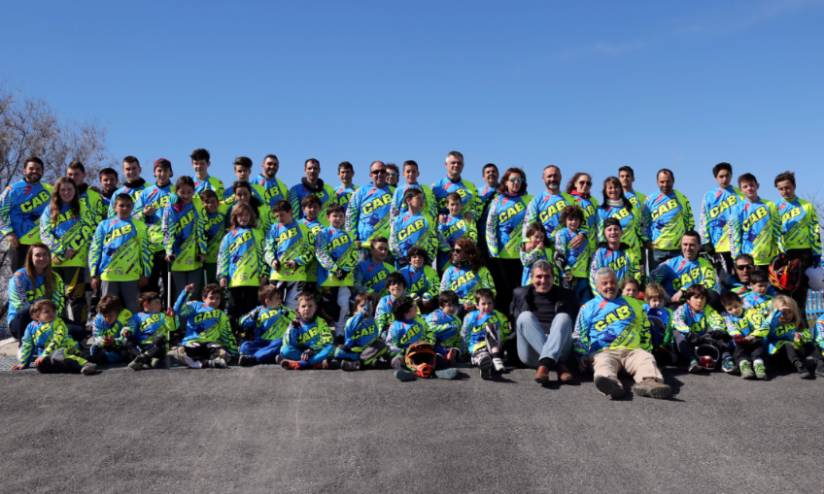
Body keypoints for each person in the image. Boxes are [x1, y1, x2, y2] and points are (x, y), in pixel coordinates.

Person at [574, 267, 672, 399]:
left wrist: (646, 349)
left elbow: (644, 329)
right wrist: (582, 355)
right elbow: (579, 335)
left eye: (612, 282)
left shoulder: (635, 304)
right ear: (597, 287)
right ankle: (611, 385)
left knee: (646, 359)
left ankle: (649, 383)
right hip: (604, 351)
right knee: (603, 364)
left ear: (617, 283)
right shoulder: (588, 307)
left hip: (632, 350)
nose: (609, 286)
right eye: (605, 283)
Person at [510, 260, 575, 384]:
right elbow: (515, 324)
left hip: (560, 347)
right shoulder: (520, 294)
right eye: (539, 276)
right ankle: (558, 364)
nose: (543, 281)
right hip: (531, 351)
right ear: (531, 278)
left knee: (563, 317)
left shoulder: (567, 295)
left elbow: (573, 327)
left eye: (547, 276)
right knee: (525, 317)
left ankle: (545, 364)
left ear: (553, 278)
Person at [40, 177, 94, 323]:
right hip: (55, 261)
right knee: (56, 298)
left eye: (69, 189)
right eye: (63, 189)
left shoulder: (83, 207)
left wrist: (73, 248)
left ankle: (79, 331)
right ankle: (59, 330)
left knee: (77, 298)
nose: (66, 192)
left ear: (75, 190)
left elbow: (88, 229)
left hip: (75, 261)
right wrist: (62, 250)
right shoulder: (49, 210)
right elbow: (45, 234)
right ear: (57, 191)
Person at [88, 193, 151, 314]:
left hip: (131, 276)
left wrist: (146, 274)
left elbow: (145, 251)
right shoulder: (104, 225)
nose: (125, 208)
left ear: (132, 207)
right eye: (121, 205)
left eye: (128, 205)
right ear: (114, 207)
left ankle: (132, 327)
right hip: (108, 275)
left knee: (133, 310)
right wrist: (93, 274)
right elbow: (95, 249)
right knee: (107, 309)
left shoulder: (140, 226)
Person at [774, 170, 822, 321]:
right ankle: (788, 327)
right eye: (781, 189)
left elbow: (814, 229)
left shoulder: (806, 206)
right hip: (785, 254)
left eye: (787, 187)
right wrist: (778, 253)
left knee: (801, 292)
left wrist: (817, 252)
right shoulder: (775, 208)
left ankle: (802, 327)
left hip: (804, 253)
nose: (785, 191)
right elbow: (774, 232)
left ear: (794, 186)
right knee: (785, 293)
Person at [485, 167, 531, 312]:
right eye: (512, 180)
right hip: (502, 256)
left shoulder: (529, 200)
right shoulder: (497, 201)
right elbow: (490, 227)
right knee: (503, 293)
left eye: (519, 180)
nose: (516, 183)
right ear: (505, 182)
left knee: (522, 292)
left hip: (523, 255)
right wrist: (494, 251)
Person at [11, 300, 99, 375]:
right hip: (47, 354)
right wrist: (24, 363)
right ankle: (66, 366)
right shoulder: (31, 327)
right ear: (36, 316)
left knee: (58, 355)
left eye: (53, 311)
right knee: (41, 365)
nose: (52, 313)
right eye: (47, 312)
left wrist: (44, 355)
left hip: (65, 348)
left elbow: (56, 341)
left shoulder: (58, 323)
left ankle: (86, 365)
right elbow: (27, 345)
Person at [218, 203, 266, 332]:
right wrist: (222, 275)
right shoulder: (229, 236)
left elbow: (263, 254)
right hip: (234, 279)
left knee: (251, 309)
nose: (243, 218)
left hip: (253, 280)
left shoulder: (258, 233)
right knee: (233, 308)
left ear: (251, 216)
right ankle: (233, 334)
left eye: (246, 215)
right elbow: (223, 257)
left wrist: (263, 273)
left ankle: (249, 334)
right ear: (235, 217)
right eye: (240, 215)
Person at [0, 156, 52, 270]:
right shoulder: (12, 189)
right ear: (24, 171)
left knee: (41, 278)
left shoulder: (49, 189)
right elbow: (2, 211)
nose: (35, 171)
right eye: (31, 168)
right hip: (20, 242)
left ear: (42, 172)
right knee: (19, 277)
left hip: (42, 243)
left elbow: (67, 197)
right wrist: (8, 233)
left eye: (38, 169)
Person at [162, 176, 207, 305]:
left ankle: (194, 318)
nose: (186, 195)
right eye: (182, 192)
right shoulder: (171, 206)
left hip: (194, 255)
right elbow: (167, 230)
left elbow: (202, 228)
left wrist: (202, 251)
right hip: (177, 255)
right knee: (180, 293)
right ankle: (179, 318)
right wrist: (169, 251)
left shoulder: (197, 204)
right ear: (176, 191)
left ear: (194, 191)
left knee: (194, 293)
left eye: (189, 192)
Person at [133, 158, 175, 296]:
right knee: (150, 287)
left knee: (170, 288)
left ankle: (169, 310)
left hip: (170, 245)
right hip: (150, 246)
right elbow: (134, 217)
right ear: (154, 173)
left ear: (170, 172)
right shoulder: (146, 193)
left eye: (165, 170)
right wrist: (144, 213)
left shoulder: (176, 191)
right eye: (159, 170)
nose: (162, 174)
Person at [6, 244, 66, 341]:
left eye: (45, 255)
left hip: (48, 318)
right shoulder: (19, 277)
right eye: (37, 255)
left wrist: (50, 321)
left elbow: (59, 303)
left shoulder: (55, 277)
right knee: (25, 311)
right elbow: (20, 304)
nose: (42, 258)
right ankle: (24, 344)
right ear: (30, 258)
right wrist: (41, 320)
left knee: (78, 330)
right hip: (22, 322)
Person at [315, 204, 359, 335]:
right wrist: (335, 269)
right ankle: (324, 335)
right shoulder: (323, 233)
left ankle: (340, 334)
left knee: (344, 306)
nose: (338, 219)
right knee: (327, 309)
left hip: (345, 278)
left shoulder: (349, 235)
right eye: (335, 216)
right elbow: (321, 253)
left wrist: (345, 269)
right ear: (328, 217)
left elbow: (354, 255)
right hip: (327, 279)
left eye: (341, 216)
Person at [171, 283, 237, 368]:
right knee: (178, 352)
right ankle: (208, 363)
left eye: (217, 298)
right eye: (211, 298)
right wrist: (186, 293)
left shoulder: (221, 315)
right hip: (192, 344)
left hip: (211, 346)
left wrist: (235, 353)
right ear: (204, 298)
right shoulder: (194, 306)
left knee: (223, 353)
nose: (214, 301)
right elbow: (177, 309)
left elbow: (227, 334)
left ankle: (201, 363)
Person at [264, 200, 313, 309]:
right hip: (277, 275)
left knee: (292, 309)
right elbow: (267, 250)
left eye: (282, 215)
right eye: (276, 216)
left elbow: (311, 251)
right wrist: (272, 261)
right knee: (274, 307)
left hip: (297, 275)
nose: (279, 219)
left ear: (290, 212)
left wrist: (297, 262)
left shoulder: (304, 228)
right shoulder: (274, 229)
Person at [671, 285, 731, 373]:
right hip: (689, 338)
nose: (699, 301)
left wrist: (718, 330)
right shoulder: (683, 309)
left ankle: (726, 359)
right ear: (688, 300)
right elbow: (677, 320)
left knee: (721, 335)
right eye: (696, 298)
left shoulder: (707, 309)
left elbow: (716, 320)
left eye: (702, 298)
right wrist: (688, 332)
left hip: (702, 338)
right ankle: (691, 361)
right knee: (677, 334)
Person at [757, 295, 820, 379]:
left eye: (789, 312)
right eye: (783, 312)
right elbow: (768, 333)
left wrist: (800, 336)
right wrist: (775, 317)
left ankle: (820, 364)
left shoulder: (794, 324)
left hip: (796, 353)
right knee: (787, 344)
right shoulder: (771, 325)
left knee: (810, 344)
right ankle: (800, 366)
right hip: (777, 355)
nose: (786, 315)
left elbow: (807, 334)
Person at [650, 230, 719, 306]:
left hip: (695, 304)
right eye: (685, 244)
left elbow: (710, 284)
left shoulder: (705, 264)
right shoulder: (669, 264)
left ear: (699, 246)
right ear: (681, 245)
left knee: (713, 295)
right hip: (673, 304)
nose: (688, 248)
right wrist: (666, 297)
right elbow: (653, 281)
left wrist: (684, 290)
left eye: (692, 245)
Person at [643, 168, 694, 267]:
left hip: (678, 249)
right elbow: (643, 223)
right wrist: (646, 241)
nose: (665, 184)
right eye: (662, 182)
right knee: (657, 277)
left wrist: (687, 241)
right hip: (657, 250)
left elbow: (689, 221)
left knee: (679, 276)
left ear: (673, 181)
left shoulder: (682, 198)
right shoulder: (649, 200)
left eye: (668, 181)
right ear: (657, 182)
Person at [728, 173, 779, 270]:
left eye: (751, 185)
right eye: (745, 186)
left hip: (770, 259)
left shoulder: (770, 205)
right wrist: (736, 258)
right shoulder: (737, 209)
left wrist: (780, 252)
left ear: (757, 186)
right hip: (748, 261)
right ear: (740, 190)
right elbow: (734, 235)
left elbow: (778, 231)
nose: (749, 188)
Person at [237, 285, 296, 367]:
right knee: (245, 346)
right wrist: (251, 317)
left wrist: (287, 314)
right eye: (277, 298)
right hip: (260, 342)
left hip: (275, 341)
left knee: (280, 343)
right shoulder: (258, 310)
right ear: (267, 301)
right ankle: (265, 356)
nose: (280, 300)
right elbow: (242, 322)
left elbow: (296, 320)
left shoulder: (284, 310)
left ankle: (254, 358)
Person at [595, 176, 644, 274]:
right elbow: (601, 235)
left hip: (633, 251)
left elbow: (639, 227)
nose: (613, 190)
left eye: (616, 187)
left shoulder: (631, 207)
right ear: (605, 191)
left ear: (620, 189)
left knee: (636, 280)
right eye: (610, 188)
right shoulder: (601, 210)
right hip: (614, 255)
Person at [699, 162, 741, 274]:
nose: (724, 179)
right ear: (716, 178)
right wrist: (706, 242)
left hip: (739, 244)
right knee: (724, 278)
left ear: (731, 175)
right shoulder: (709, 196)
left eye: (727, 175)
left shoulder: (740, 193)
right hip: (719, 245)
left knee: (741, 278)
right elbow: (703, 219)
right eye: (721, 176)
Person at [461, 288, 510, 379]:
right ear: (477, 305)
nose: (487, 306)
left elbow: (505, 333)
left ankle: (495, 358)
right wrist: (465, 351)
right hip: (478, 347)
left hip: (495, 347)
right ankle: (486, 367)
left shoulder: (499, 316)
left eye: (489, 303)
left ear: (493, 304)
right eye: (483, 304)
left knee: (491, 326)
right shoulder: (471, 316)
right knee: (483, 357)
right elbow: (465, 334)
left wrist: (501, 346)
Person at [280, 292, 336, 370]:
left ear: (315, 308)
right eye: (303, 306)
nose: (307, 309)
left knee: (330, 348)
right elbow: (288, 343)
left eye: (310, 306)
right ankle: (315, 364)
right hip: (301, 353)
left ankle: (301, 364)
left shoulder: (321, 322)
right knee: (284, 350)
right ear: (298, 309)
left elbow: (327, 340)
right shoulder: (294, 323)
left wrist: (312, 349)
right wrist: (293, 330)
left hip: (316, 352)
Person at [334, 293, 389, 370]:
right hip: (356, 351)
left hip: (369, 350)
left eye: (368, 305)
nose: (365, 308)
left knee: (381, 345)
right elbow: (348, 341)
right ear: (356, 308)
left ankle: (356, 363)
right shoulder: (350, 321)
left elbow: (376, 337)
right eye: (362, 306)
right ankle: (362, 363)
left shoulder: (373, 321)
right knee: (338, 351)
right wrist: (359, 315)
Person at [346, 160, 393, 249]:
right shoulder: (360, 191)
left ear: (386, 174)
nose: (379, 174)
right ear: (370, 175)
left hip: (387, 245)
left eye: (382, 171)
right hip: (364, 244)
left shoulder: (395, 192)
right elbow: (350, 216)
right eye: (376, 172)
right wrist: (353, 239)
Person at [440, 238, 495, 314]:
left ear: (468, 252)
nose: (454, 253)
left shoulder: (482, 270)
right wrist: (461, 304)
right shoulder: (449, 271)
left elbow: (490, 291)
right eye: (453, 250)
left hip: (477, 308)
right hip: (456, 309)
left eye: (458, 251)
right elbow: (443, 293)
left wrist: (474, 304)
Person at [123, 291, 176, 370]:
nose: (160, 305)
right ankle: (143, 358)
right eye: (157, 302)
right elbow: (131, 327)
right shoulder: (137, 316)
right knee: (128, 340)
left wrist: (170, 318)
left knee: (161, 338)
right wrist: (127, 331)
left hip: (156, 345)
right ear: (146, 304)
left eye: (160, 302)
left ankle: (143, 359)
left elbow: (172, 328)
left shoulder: (163, 315)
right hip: (141, 346)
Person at [719, 291, 765, 379]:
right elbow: (731, 328)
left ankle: (759, 366)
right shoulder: (728, 317)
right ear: (726, 310)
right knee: (738, 352)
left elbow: (758, 324)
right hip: (740, 340)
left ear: (741, 303)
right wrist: (739, 337)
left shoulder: (750, 312)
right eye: (730, 309)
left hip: (753, 338)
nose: (734, 310)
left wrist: (753, 335)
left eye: (736, 306)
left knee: (758, 349)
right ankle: (745, 367)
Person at [554, 205, 592, 305]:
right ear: (565, 220)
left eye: (576, 219)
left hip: (583, 276)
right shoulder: (561, 233)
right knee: (569, 305)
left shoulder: (583, 235)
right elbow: (558, 256)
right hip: (569, 277)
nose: (573, 222)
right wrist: (566, 271)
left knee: (585, 305)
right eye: (570, 219)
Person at [589, 218, 638, 295]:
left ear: (621, 232)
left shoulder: (628, 251)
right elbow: (593, 276)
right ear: (604, 233)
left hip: (625, 294)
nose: (613, 232)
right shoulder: (599, 253)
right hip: (605, 294)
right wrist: (599, 296)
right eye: (609, 230)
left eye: (616, 229)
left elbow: (636, 272)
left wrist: (632, 290)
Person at [390, 188, 437, 266]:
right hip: (402, 262)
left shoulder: (428, 219)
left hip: (422, 261)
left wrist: (429, 257)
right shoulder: (398, 220)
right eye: (418, 198)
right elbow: (393, 241)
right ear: (408, 201)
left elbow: (433, 239)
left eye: (423, 199)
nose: (422, 201)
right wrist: (400, 257)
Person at [431, 150, 480, 220]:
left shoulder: (471, 186)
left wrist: (473, 213)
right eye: (453, 163)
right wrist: (439, 216)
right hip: (445, 226)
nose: (456, 165)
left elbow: (478, 206)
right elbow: (430, 210)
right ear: (446, 165)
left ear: (463, 166)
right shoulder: (436, 186)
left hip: (466, 225)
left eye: (459, 163)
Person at [89, 295, 135, 364]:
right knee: (93, 348)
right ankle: (101, 357)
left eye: (110, 315)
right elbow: (96, 336)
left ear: (118, 312)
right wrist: (102, 341)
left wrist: (115, 341)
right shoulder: (98, 318)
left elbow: (128, 337)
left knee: (128, 347)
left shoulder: (126, 316)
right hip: (106, 346)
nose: (107, 319)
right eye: (105, 316)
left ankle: (104, 358)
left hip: (120, 345)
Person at [288, 158, 336, 225]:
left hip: (325, 229)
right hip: (305, 229)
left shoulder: (329, 189)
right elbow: (293, 215)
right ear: (305, 170)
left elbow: (334, 211)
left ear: (319, 170)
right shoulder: (295, 190)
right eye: (309, 168)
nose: (312, 171)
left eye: (315, 168)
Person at [437, 192, 477, 271]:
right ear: (447, 205)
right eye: (452, 204)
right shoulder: (443, 220)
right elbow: (439, 241)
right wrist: (441, 224)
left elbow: (474, 240)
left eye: (457, 204)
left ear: (461, 205)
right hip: (445, 262)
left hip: (464, 260)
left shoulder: (467, 219)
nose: (455, 207)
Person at [253, 154, 290, 233]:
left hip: (276, 229)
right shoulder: (253, 184)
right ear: (262, 165)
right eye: (269, 164)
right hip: (258, 228)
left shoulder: (282, 186)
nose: (272, 166)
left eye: (275, 164)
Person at [425, 291, 463, 362]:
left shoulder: (457, 320)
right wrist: (449, 327)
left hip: (449, 346)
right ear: (441, 306)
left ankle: (451, 354)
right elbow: (429, 328)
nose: (452, 308)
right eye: (449, 305)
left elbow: (458, 337)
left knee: (459, 349)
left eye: (455, 305)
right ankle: (437, 356)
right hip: (436, 344)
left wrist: (458, 347)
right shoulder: (436, 316)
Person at [399, 246, 439, 312]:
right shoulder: (402, 272)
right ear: (409, 260)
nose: (417, 259)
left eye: (420, 257)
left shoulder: (430, 270)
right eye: (414, 257)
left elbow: (437, 286)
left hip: (426, 302)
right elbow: (398, 289)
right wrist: (411, 295)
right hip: (408, 302)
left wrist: (428, 294)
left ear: (424, 260)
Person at [201, 190, 229, 285]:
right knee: (207, 288)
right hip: (206, 260)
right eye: (207, 202)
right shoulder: (201, 218)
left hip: (221, 260)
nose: (210, 205)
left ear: (218, 202)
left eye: (213, 202)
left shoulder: (223, 216)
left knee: (220, 288)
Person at [66, 160, 106, 225]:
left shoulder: (95, 195)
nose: (73, 177)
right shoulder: (61, 196)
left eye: (76, 174)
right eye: (70, 174)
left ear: (84, 175)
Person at [644, 283, 675, 364]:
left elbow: (669, 328)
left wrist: (665, 342)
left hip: (662, 338)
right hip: (648, 338)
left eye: (660, 301)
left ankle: (665, 351)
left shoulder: (667, 312)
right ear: (648, 300)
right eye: (654, 300)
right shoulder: (644, 309)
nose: (657, 303)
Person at [566, 172, 599, 238]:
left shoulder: (594, 201)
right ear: (575, 184)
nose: (585, 185)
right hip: (575, 239)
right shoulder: (568, 199)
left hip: (592, 241)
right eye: (582, 182)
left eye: (588, 183)